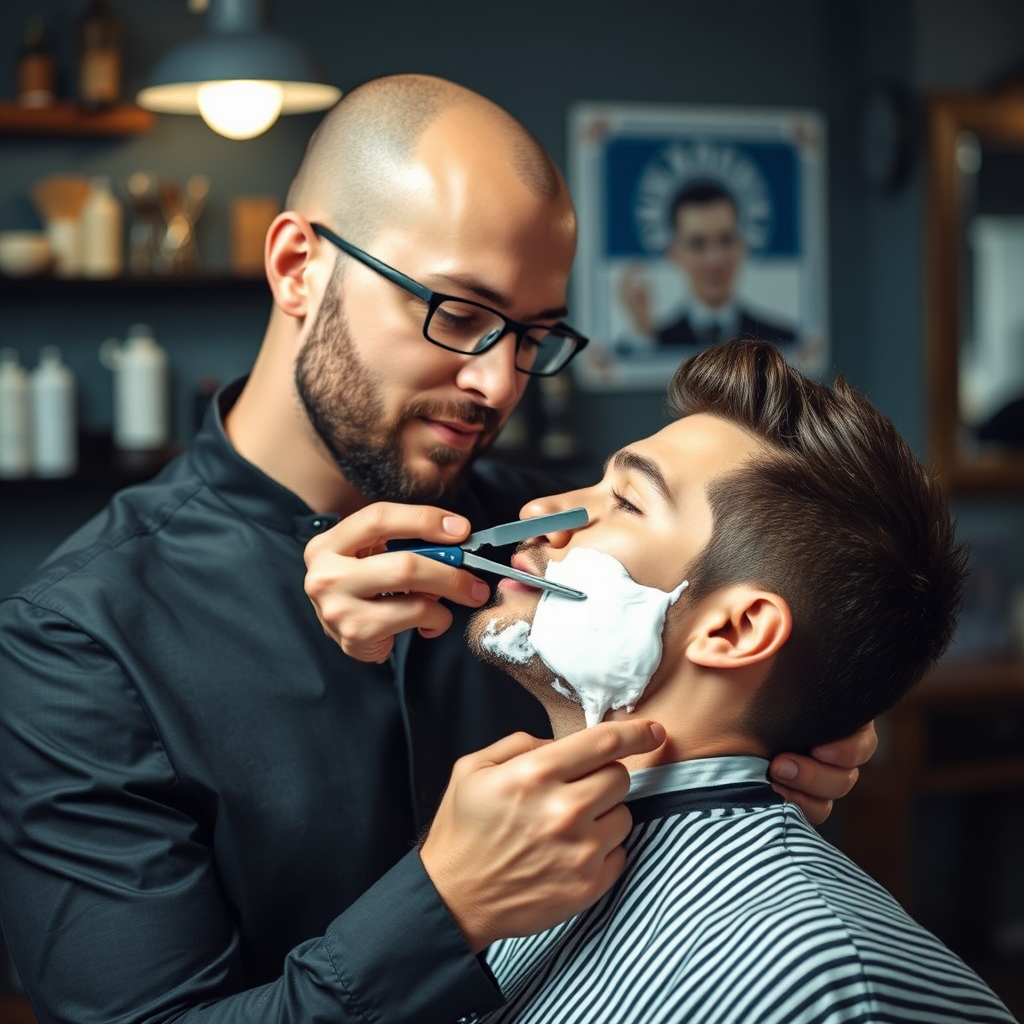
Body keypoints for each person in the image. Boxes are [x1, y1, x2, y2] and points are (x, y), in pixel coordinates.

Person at [0, 76, 872, 1024]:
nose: (498, 384)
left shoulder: (549, 556)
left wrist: (816, 721)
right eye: (458, 313)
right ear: (299, 266)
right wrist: (444, 907)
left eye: (534, 335)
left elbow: (742, 641)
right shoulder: (76, 644)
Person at [446, 338, 1014, 1023]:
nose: (542, 510)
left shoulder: (830, 988)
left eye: (625, 501)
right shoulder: (500, 875)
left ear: (735, 632)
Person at [619, 179, 797, 349]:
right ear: (675, 254)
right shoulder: (653, 342)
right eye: (698, 244)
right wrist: (644, 334)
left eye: (726, 240)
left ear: (742, 246)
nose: (715, 259)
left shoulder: (783, 341)